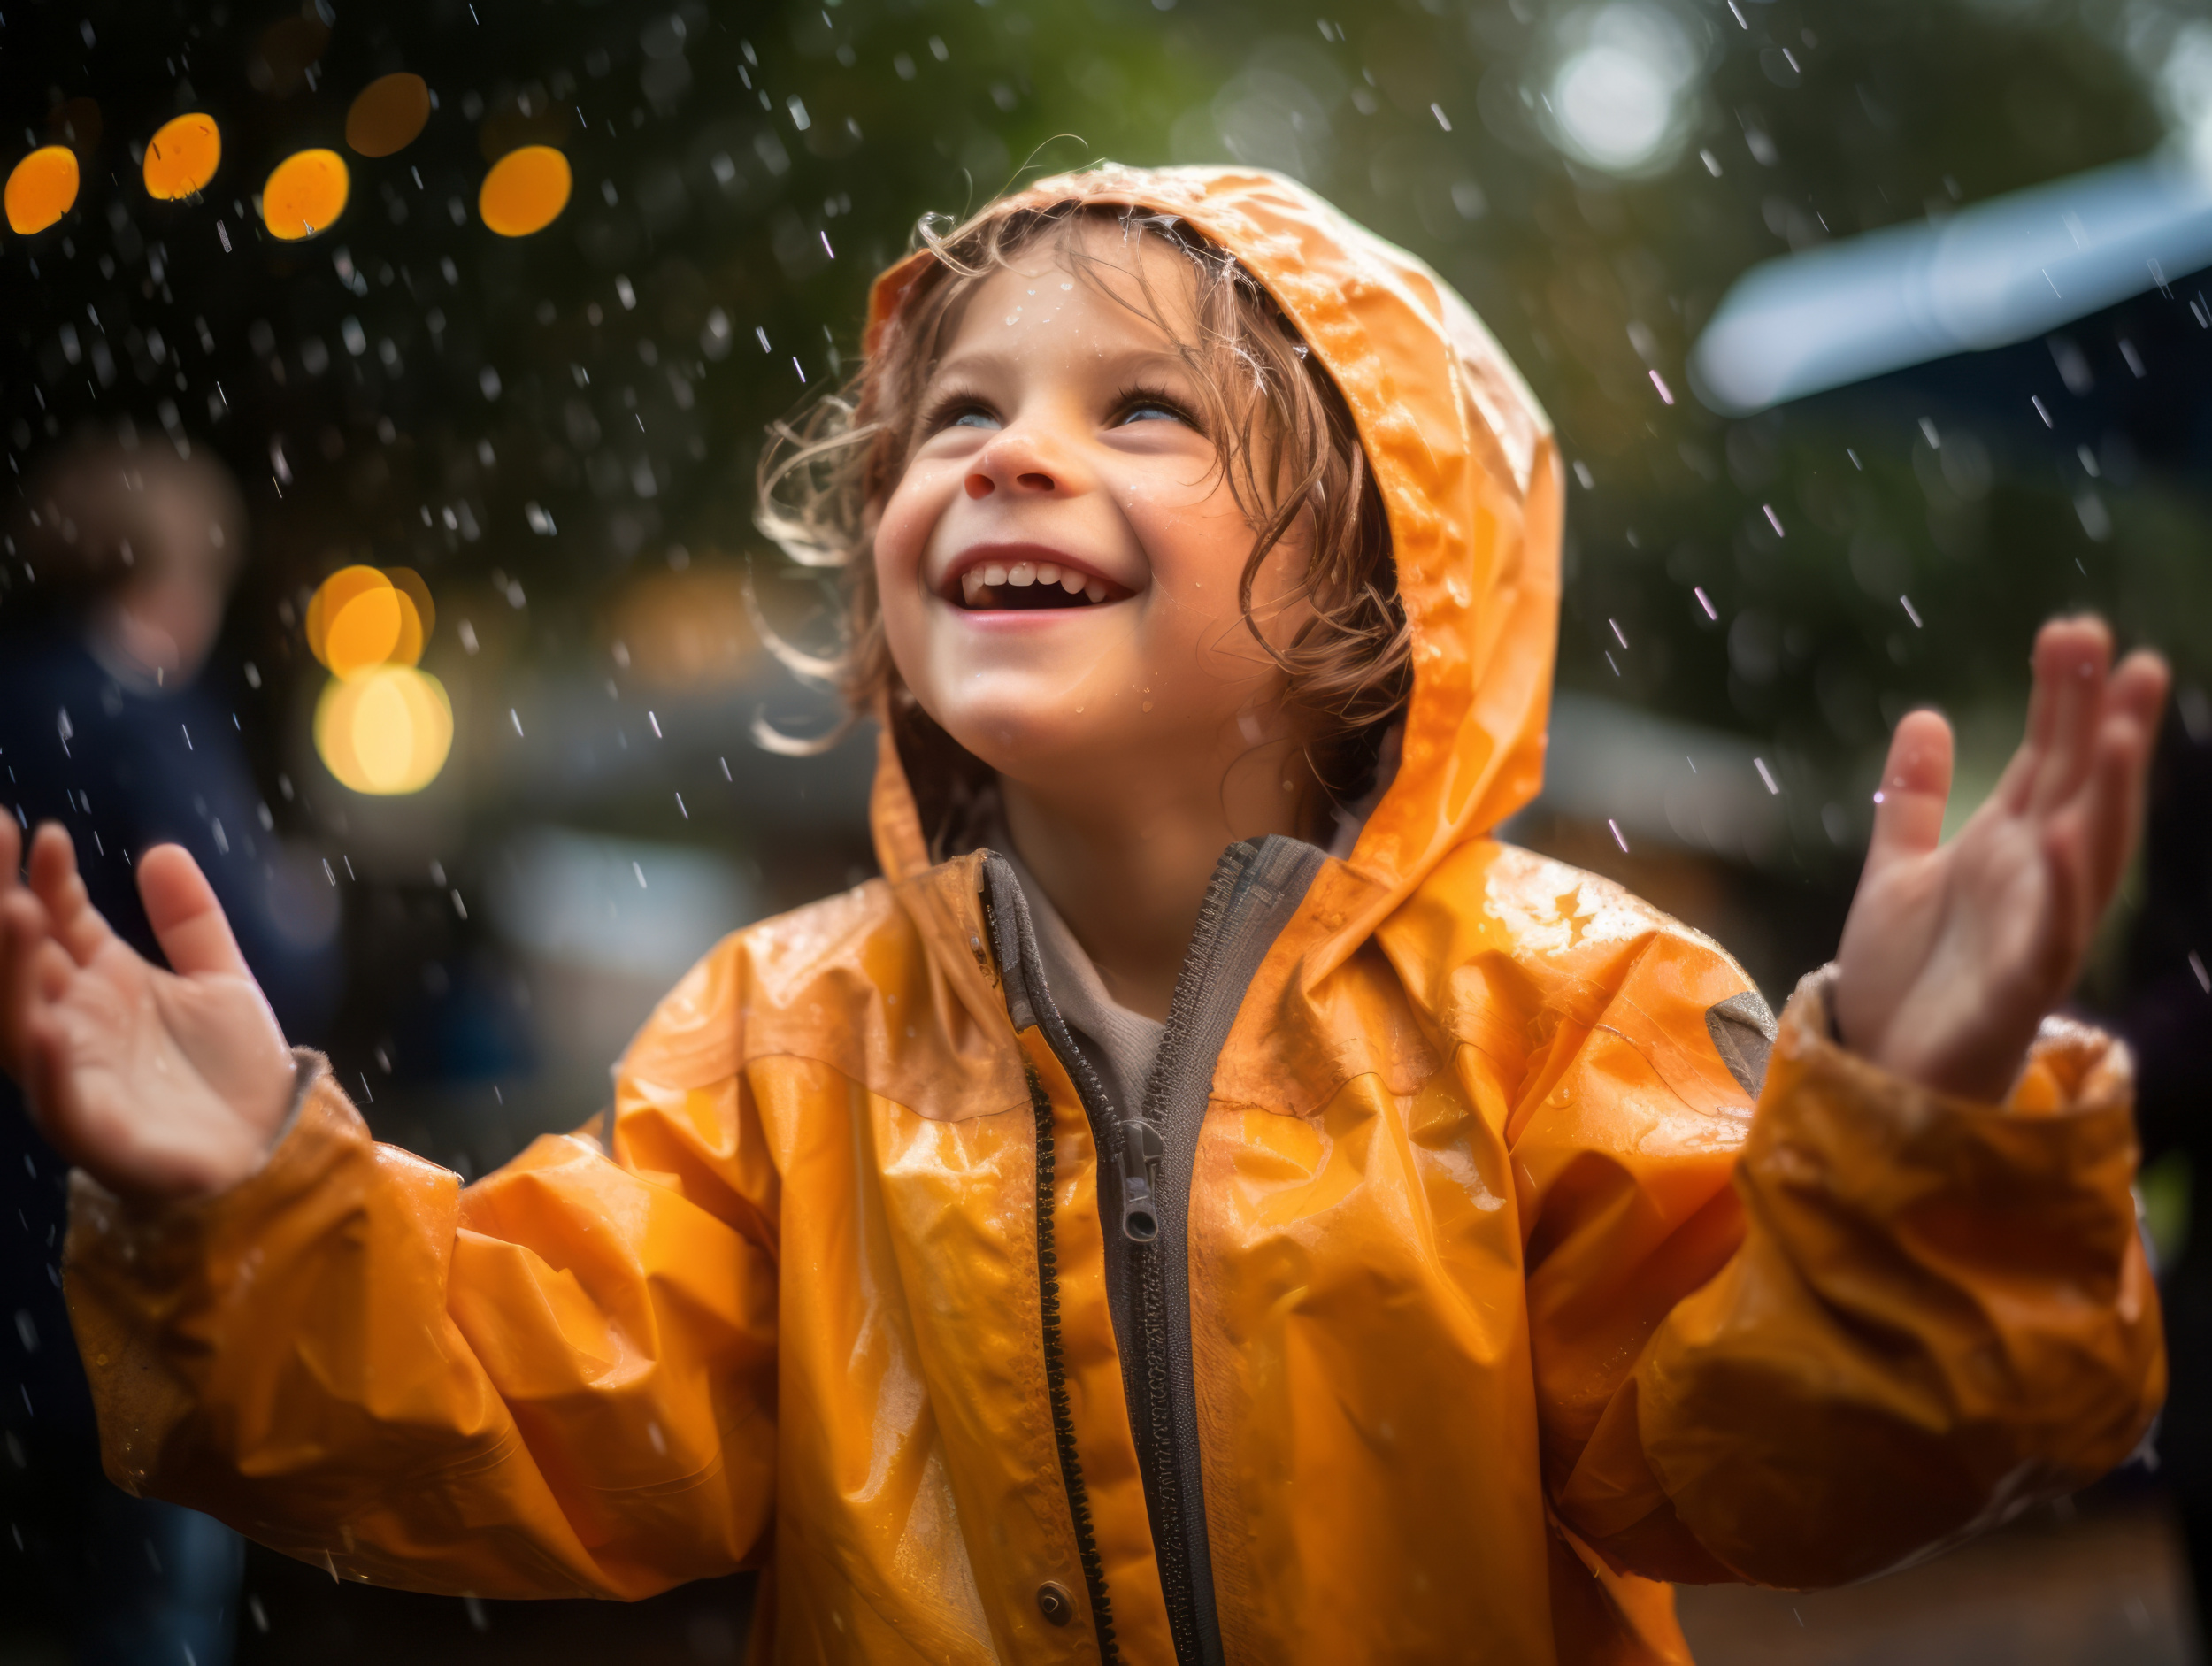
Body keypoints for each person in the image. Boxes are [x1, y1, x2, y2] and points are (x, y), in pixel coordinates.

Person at [0, 169, 2174, 1664]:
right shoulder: (784, 1035)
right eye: (956, 417)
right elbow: (546, 1406)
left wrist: (1916, 1140)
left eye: (1138, 410)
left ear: (1371, 585)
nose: (1005, 457)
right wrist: (250, 1212)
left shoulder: (1560, 1005)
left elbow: (1771, 1470)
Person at [0, 435, 341, 1664]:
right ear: (175, 574)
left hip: (14, 1227)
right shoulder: (147, 721)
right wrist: (306, 910)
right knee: (152, 1603)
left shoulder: (16, 697)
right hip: (133, 1230)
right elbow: (252, 964)